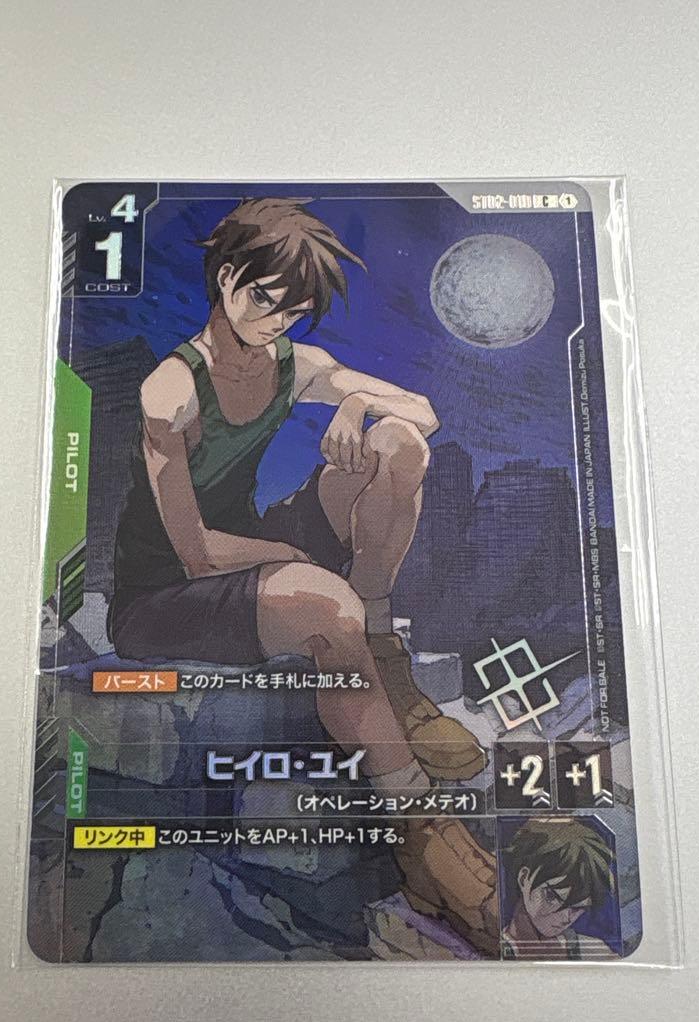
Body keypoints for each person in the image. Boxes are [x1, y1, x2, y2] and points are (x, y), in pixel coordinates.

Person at [109, 197, 499, 954]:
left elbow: (422, 412)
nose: (275, 321)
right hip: (165, 595)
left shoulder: (296, 365)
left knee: (397, 447)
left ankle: (387, 665)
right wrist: (299, 562)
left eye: (293, 310)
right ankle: (417, 826)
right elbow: (194, 552)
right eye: (264, 298)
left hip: (252, 547)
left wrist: (353, 403)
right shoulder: (171, 391)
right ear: (227, 277)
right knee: (327, 605)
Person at [500, 817, 615, 959]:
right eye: (552, 896)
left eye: (577, 908)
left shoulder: (593, 951)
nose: (565, 917)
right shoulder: (491, 950)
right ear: (524, 878)